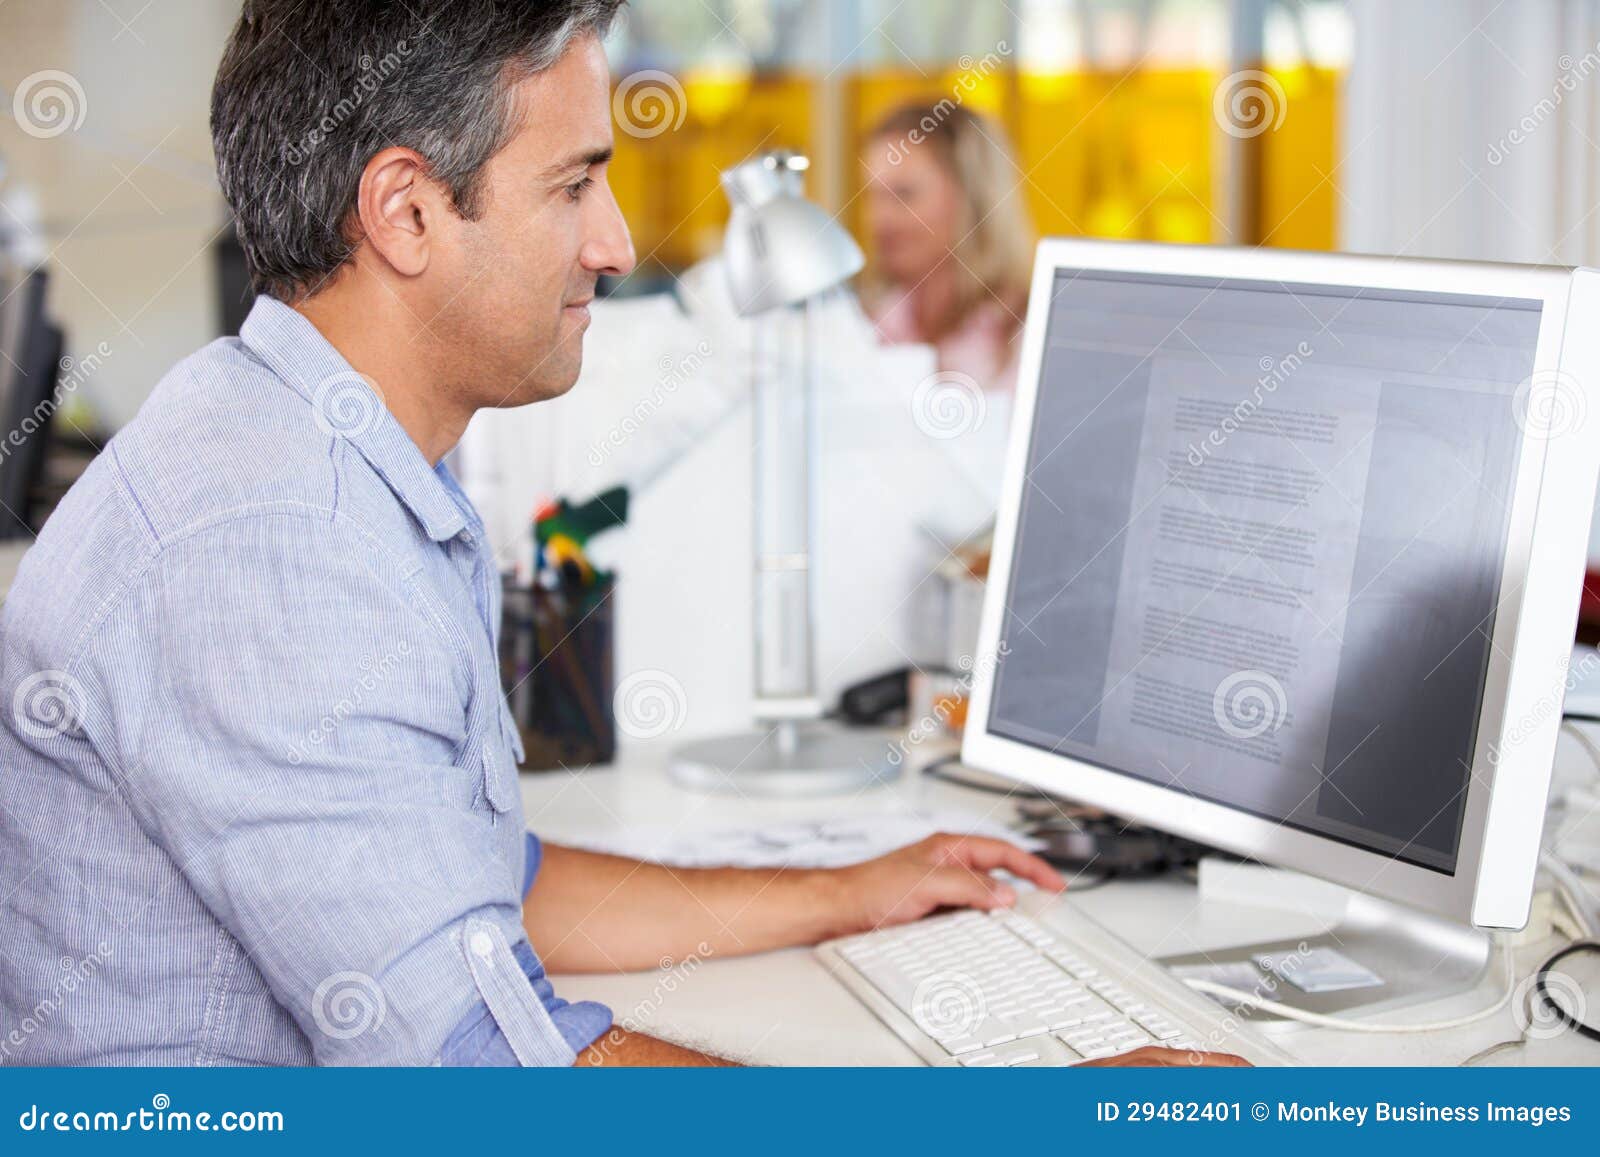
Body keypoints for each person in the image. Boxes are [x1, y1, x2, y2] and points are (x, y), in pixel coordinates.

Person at [0, 0, 1243, 1069]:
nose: (617, 243)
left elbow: (489, 883)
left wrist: (846, 892)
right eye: (573, 183)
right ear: (406, 212)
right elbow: (485, 1074)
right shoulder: (275, 537)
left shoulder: (331, 457)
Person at [861, 102, 1037, 393]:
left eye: (904, 195)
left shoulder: (1028, 333)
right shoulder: (868, 326)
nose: (880, 219)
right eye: (874, 195)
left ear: (973, 198)